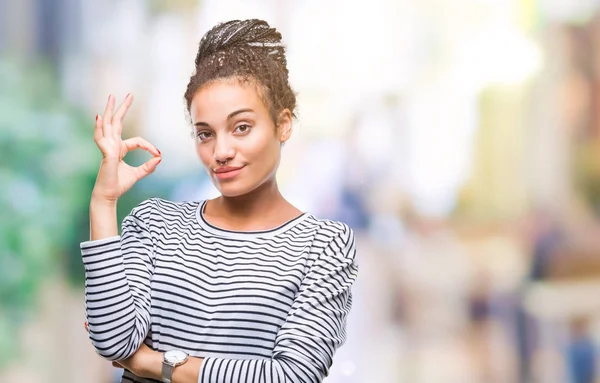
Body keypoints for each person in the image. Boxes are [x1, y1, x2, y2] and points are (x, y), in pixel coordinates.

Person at [80, 19, 359, 383]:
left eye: (241, 127)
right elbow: (113, 341)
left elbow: (291, 376)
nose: (221, 152)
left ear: (283, 124)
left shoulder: (324, 245)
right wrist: (103, 202)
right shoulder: (154, 222)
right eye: (205, 134)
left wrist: (155, 364)